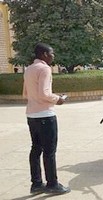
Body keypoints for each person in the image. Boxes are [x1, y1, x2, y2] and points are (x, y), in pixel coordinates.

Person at [23, 43, 70, 195]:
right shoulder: (44, 69)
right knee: (49, 151)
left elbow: (25, 94)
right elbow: (44, 94)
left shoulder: (29, 69)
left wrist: (47, 97)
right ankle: (52, 184)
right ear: (44, 54)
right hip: (45, 115)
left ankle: (36, 184)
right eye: (51, 53)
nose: (53, 56)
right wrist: (59, 99)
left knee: (36, 149)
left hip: (31, 115)